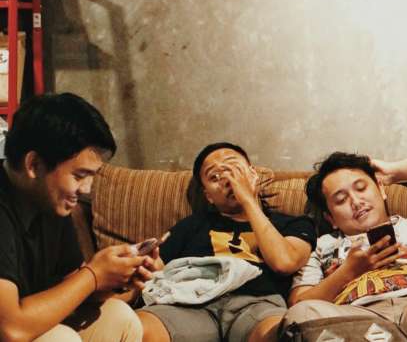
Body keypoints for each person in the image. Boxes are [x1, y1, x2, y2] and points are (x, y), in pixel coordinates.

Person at [282, 148, 407, 341]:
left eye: (361, 188)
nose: (356, 202)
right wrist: (348, 272)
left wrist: (391, 172)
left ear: (380, 189)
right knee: (301, 314)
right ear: (330, 218)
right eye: (341, 200)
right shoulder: (321, 245)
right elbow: (299, 303)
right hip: (354, 320)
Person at [0, 92, 150, 342]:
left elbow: (75, 289)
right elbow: (10, 329)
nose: (86, 189)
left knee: (118, 317)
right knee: (60, 339)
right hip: (11, 327)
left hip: (23, 325)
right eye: (79, 176)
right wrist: (93, 274)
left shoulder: (50, 202)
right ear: (34, 164)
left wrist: (121, 277)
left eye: (92, 176)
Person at [137, 142, 315, 342]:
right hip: (191, 302)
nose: (228, 179)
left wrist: (248, 200)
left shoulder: (292, 223)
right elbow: (154, 268)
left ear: (253, 174)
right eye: (214, 177)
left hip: (256, 304)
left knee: (281, 335)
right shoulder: (191, 225)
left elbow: (285, 262)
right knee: (138, 328)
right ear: (208, 196)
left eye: (234, 169)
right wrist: (144, 264)